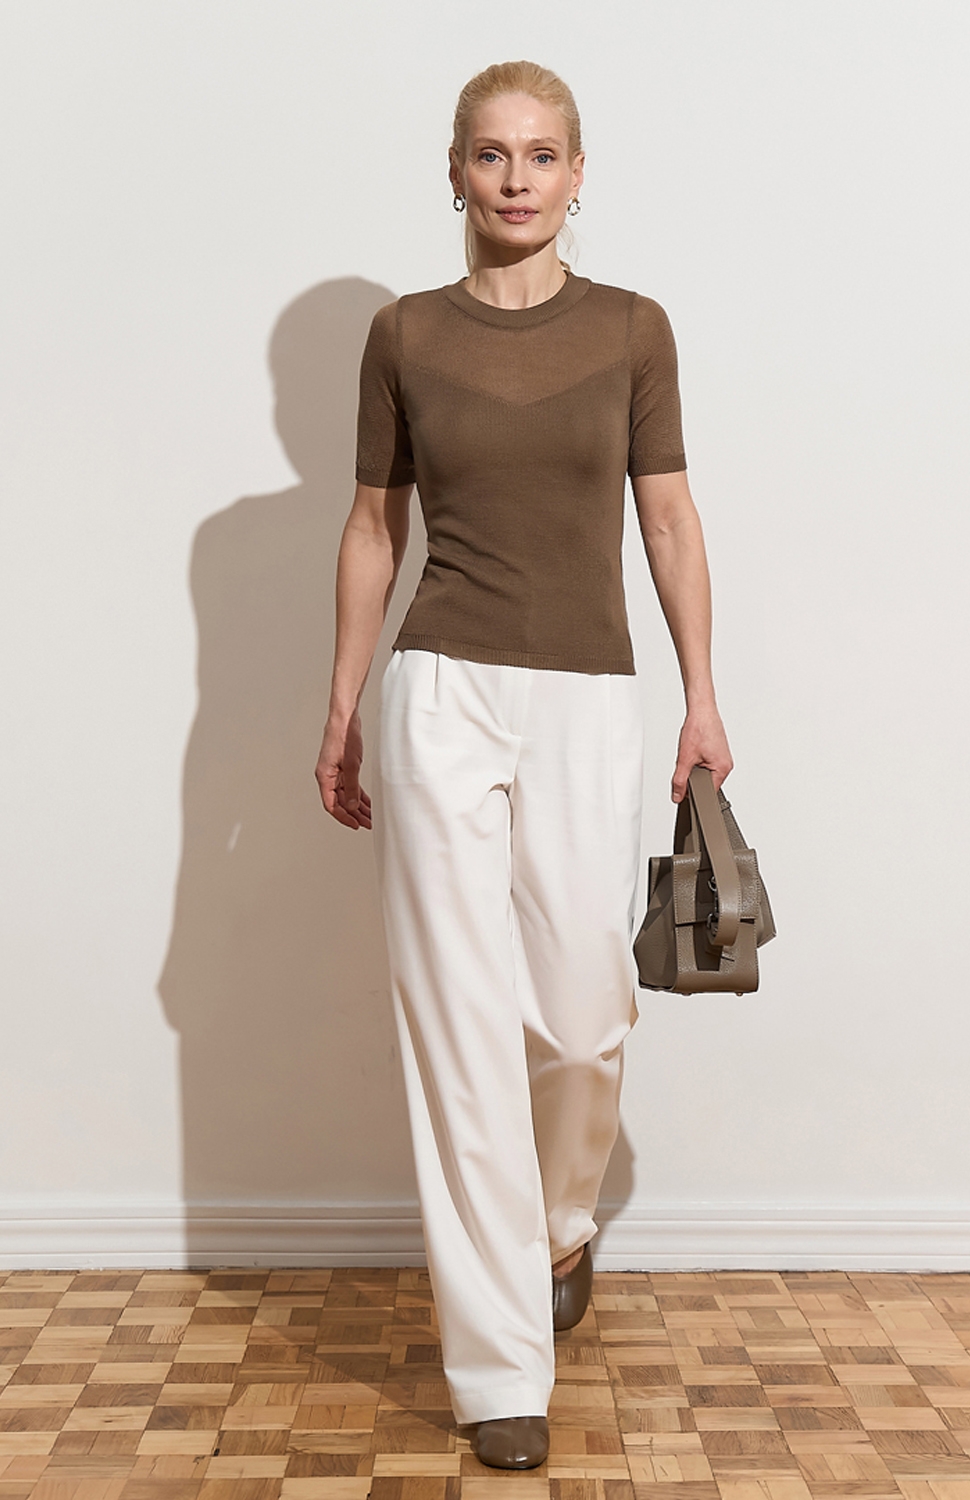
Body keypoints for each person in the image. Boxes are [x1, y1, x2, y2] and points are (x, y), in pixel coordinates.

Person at [315, 59, 733, 1470]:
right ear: (454, 171)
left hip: (589, 696)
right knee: (458, 1024)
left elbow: (669, 520)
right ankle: (500, 1368)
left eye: (540, 155)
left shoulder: (632, 330)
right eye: (490, 155)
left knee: (582, 1012)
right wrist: (342, 704)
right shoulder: (403, 336)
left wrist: (703, 695)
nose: (515, 179)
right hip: (439, 690)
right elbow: (373, 527)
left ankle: (559, 1226)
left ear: (576, 174)